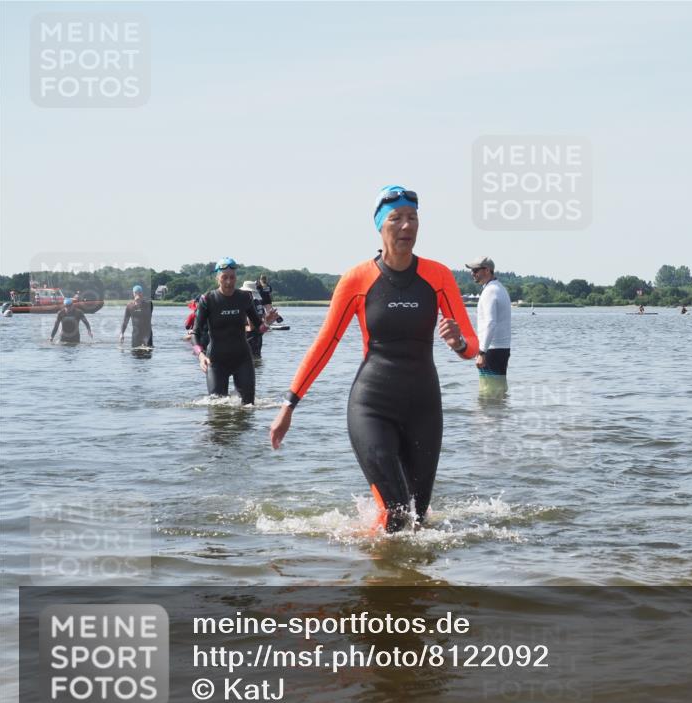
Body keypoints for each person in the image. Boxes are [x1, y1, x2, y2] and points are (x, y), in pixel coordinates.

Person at [269, 185, 479, 533]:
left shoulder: (438, 276)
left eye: (412, 218)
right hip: (372, 405)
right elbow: (325, 344)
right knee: (397, 513)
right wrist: (289, 404)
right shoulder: (357, 279)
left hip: (424, 408)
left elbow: (472, 347)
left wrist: (457, 342)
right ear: (380, 227)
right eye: (396, 219)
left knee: (419, 518)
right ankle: (377, 578)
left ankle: (392, 570)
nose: (406, 226)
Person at [192, 258, 268, 404]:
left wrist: (267, 323)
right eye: (224, 277)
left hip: (242, 359)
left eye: (232, 277)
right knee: (217, 408)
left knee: (248, 406)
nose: (228, 281)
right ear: (217, 278)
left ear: (236, 278)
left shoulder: (244, 297)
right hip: (216, 361)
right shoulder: (208, 299)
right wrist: (200, 355)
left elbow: (259, 328)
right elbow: (195, 333)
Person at [466, 255, 512, 390]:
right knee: (498, 390)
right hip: (500, 349)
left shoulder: (490, 291)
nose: (472, 274)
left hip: (491, 350)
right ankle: (500, 411)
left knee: (489, 392)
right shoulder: (499, 288)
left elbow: (490, 322)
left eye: (475, 270)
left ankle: (490, 412)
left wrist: (481, 352)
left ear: (487, 270)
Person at [241, 280, 276, 357]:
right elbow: (264, 318)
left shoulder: (248, 304)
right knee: (257, 359)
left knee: (251, 360)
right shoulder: (258, 303)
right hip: (259, 336)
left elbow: (251, 326)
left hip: (249, 338)